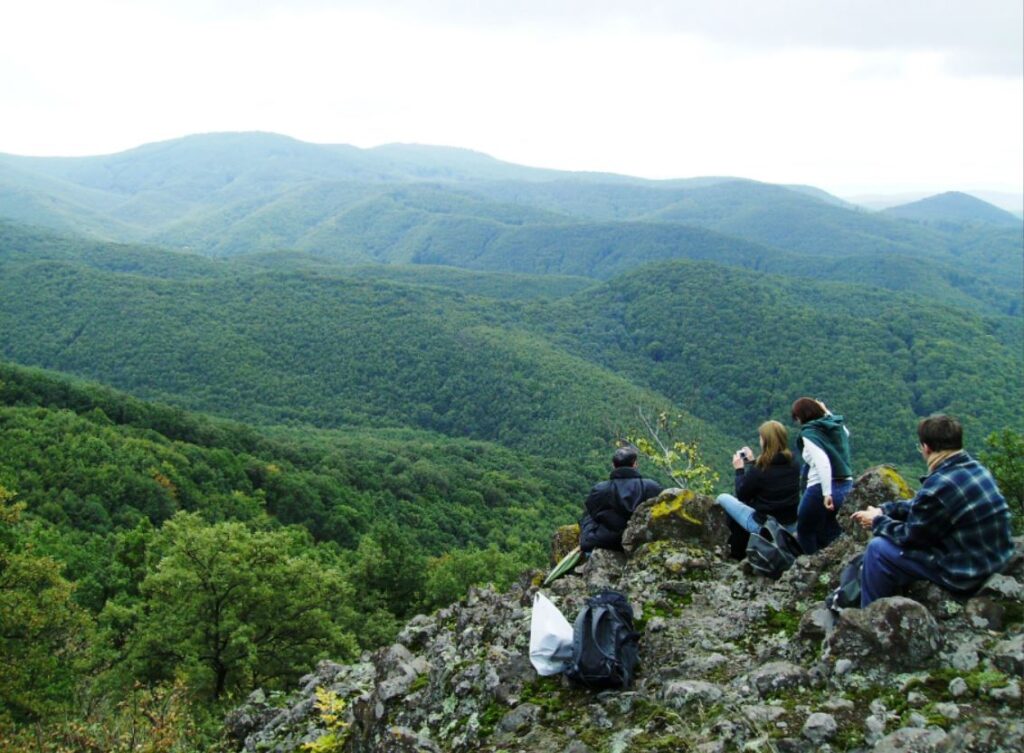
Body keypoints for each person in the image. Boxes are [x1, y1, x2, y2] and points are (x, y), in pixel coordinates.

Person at [851, 415, 1013, 608]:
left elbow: (911, 537)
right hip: (996, 561)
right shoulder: (976, 469)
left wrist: (877, 521)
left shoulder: (938, 486)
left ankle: (871, 618)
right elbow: (923, 505)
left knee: (878, 549)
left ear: (926, 448)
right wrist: (885, 509)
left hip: (967, 572)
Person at [715, 420, 800, 559]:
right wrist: (753, 462)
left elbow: (742, 494)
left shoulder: (760, 469)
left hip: (765, 527)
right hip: (789, 526)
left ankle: (734, 551)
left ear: (766, 441)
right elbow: (771, 479)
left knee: (722, 498)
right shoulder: (794, 462)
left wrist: (739, 470)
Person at [791, 397, 853, 554]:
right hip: (846, 485)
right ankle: (833, 568)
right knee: (832, 531)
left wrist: (826, 493)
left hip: (820, 487)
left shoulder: (809, 433)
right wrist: (826, 412)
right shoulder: (834, 427)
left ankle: (811, 566)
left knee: (805, 530)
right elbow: (846, 432)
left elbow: (822, 462)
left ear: (801, 417)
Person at [579, 446, 664, 554]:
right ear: (635, 464)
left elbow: (592, 512)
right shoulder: (652, 487)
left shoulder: (600, 490)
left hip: (607, 542)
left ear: (613, 465)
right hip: (641, 539)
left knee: (587, 516)